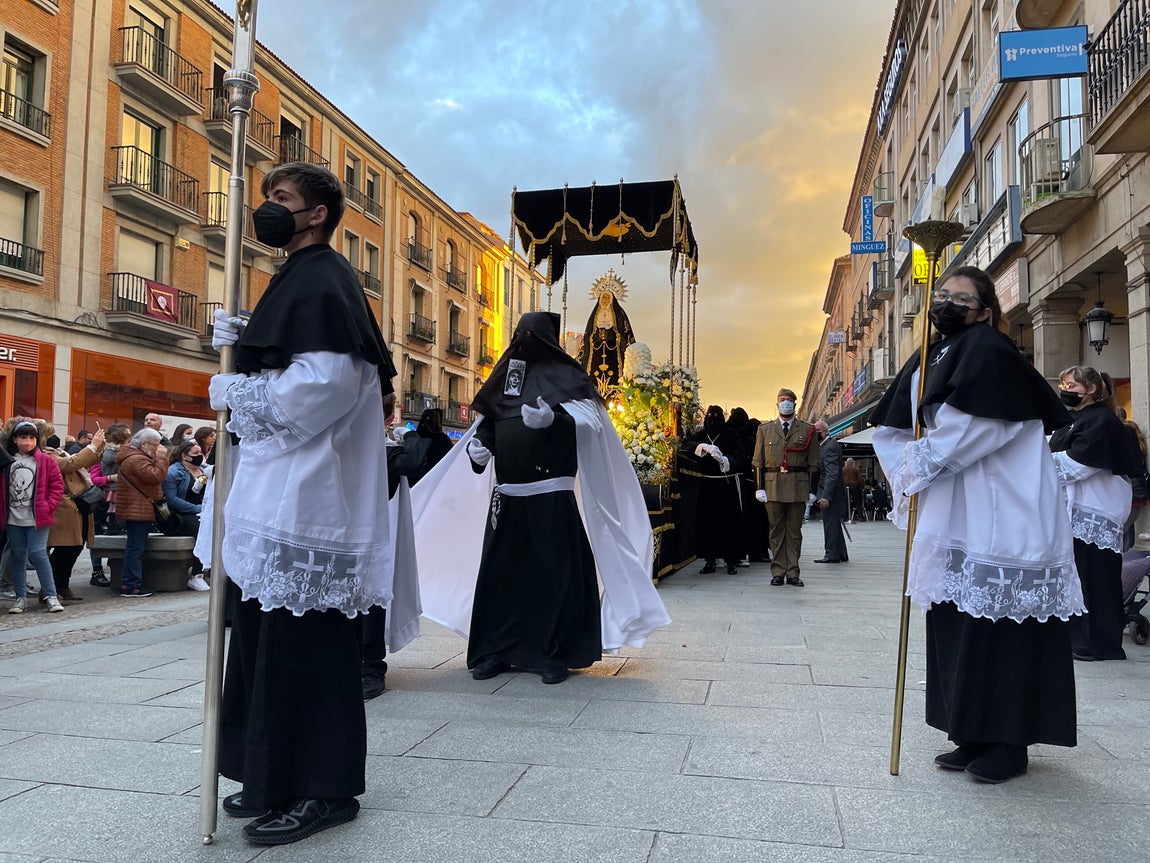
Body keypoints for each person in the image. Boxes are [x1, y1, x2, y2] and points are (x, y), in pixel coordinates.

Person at [207, 161, 399, 846]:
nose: (269, 209)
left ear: (317, 213)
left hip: (310, 501)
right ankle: (272, 775)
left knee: (308, 651)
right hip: (279, 497)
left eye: (281, 199)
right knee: (268, 646)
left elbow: (322, 388)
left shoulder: (325, 280)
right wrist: (242, 351)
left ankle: (327, 787)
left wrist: (239, 392)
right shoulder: (296, 278)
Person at [870, 265, 1081, 784]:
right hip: (956, 507)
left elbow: (977, 429)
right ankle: (969, 732)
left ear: (986, 309)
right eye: (942, 294)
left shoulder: (990, 350)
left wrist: (918, 462)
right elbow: (892, 425)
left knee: (1002, 630)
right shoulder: (928, 354)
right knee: (955, 619)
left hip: (1003, 506)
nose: (948, 302)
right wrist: (907, 460)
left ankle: (1008, 743)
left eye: (961, 296)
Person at [412, 311, 670, 685]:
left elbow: (592, 428)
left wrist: (556, 422)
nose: (525, 342)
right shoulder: (505, 381)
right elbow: (487, 427)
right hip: (509, 501)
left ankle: (554, 654)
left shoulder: (569, 381)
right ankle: (494, 650)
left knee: (553, 580)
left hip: (551, 501)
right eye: (520, 335)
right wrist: (480, 452)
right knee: (501, 578)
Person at [1049, 366, 1141, 662]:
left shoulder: (1101, 419)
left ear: (1090, 389)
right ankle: (1078, 639)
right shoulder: (1075, 419)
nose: (1066, 389)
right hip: (1074, 511)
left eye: (1072, 384)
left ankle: (1098, 643)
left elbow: (1078, 465)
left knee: (1095, 579)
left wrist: (1040, 463)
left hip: (1094, 512)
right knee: (1077, 577)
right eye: (1063, 383)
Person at [752, 388, 820, 586]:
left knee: (794, 531)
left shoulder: (808, 430)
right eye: (783, 400)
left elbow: (814, 462)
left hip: (797, 486)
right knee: (775, 530)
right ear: (777, 404)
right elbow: (757, 462)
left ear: (795, 404)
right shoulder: (764, 430)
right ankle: (778, 571)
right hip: (772, 486)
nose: (786, 403)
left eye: (789, 400)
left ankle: (793, 572)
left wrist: (813, 490)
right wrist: (759, 487)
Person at [2, 420, 65, 613]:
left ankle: (51, 595)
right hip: (13, 518)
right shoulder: (7, 460)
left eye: (31, 438)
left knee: (39, 554)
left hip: (38, 517)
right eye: (23, 437)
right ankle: (20, 598)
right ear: (15, 439)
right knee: (18, 556)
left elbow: (57, 486)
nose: (27, 442)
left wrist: (48, 506)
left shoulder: (45, 460)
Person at [43, 421, 106, 601]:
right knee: (65, 548)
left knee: (77, 546)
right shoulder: (47, 455)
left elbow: (82, 461)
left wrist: (98, 448)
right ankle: (52, 587)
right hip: (65, 506)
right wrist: (92, 446)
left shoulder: (57, 452)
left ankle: (63, 585)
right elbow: (71, 463)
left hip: (79, 504)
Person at [682, 405, 747, 574]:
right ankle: (709, 560)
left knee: (729, 524)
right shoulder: (701, 435)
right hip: (708, 484)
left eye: (716, 416)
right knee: (707, 523)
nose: (712, 419)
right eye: (709, 416)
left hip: (726, 485)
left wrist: (727, 460)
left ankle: (731, 560)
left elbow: (741, 456)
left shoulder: (730, 434)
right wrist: (702, 447)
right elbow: (686, 445)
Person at [115, 428, 169, 598]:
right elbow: (154, 476)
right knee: (135, 548)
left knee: (136, 547)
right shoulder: (135, 459)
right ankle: (131, 585)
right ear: (143, 443)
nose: (156, 448)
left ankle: (132, 583)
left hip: (138, 508)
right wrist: (161, 457)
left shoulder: (135, 456)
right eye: (154, 445)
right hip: (136, 510)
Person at [162, 439, 209, 591]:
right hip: (180, 516)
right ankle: (197, 574)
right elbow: (172, 500)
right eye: (195, 454)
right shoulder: (174, 472)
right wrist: (197, 508)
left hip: (203, 511)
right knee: (201, 528)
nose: (199, 456)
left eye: (200, 453)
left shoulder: (204, 469)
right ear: (184, 456)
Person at [88, 423, 131, 585]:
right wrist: (111, 479)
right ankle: (97, 571)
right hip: (100, 500)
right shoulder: (100, 455)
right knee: (97, 536)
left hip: (119, 497)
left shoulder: (122, 453)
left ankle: (113, 570)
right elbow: (94, 480)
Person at [575, 279, 635, 393]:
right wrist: (596, 337)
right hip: (596, 353)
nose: (605, 300)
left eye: (607, 297)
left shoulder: (619, 315)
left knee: (614, 377)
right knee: (594, 377)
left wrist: (612, 335)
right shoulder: (594, 316)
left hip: (613, 352)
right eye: (603, 297)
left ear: (612, 300)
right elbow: (588, 335)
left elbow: (624, 333)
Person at [728, 407, 770, 563]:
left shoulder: (732, 434)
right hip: (754, 484)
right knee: (758, 520)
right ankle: (759, 551)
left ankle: (742, 552)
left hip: (737, 482)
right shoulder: (753, 437)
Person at [812, 420, 848, 563]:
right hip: (833, 491)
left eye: (818, 432)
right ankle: (841, 553)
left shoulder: (829, 447)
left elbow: (831, 473)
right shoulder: (825, 446)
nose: (815, 435)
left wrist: (826, 496)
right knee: (833, 523)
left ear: (826, 432)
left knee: (830, 523)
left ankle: (831, 554)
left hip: (832, 493)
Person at [843, 456, 862, 523]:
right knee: (857, 501)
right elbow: (859, 479)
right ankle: (860, 517)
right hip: (854, 485)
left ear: (847, 463)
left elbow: (841, 479)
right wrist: (861, 486)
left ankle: (845, 517)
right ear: (852, 462)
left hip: (846, 486)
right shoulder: (856, 469)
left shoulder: (843, 469)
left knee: (845, 502)